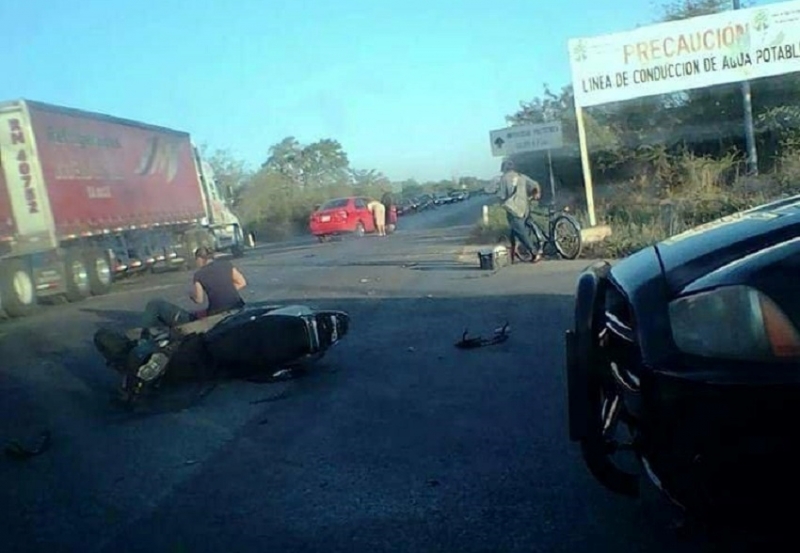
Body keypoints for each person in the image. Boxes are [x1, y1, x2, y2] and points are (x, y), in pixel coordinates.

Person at [134, 246, 248, 381]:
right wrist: (225, 290)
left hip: (215, 317)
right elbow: (242, 282)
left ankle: (141, 339)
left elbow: (199, 300)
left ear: (200, 259)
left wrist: (191, 296)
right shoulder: (226, 265)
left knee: (155, 304)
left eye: (196, 260)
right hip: (238, 309)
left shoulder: (199, 275)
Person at [496, 159, 545, 263]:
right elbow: (535, 184)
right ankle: (513, 254)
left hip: (514, 210)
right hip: (525, 208)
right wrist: (536, 193)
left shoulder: (504, 179)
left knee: (520, 232)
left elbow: (501, 196)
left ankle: (534, 252)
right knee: (515, 230)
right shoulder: (521, 176)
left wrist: (500, 202)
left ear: (504, 168)